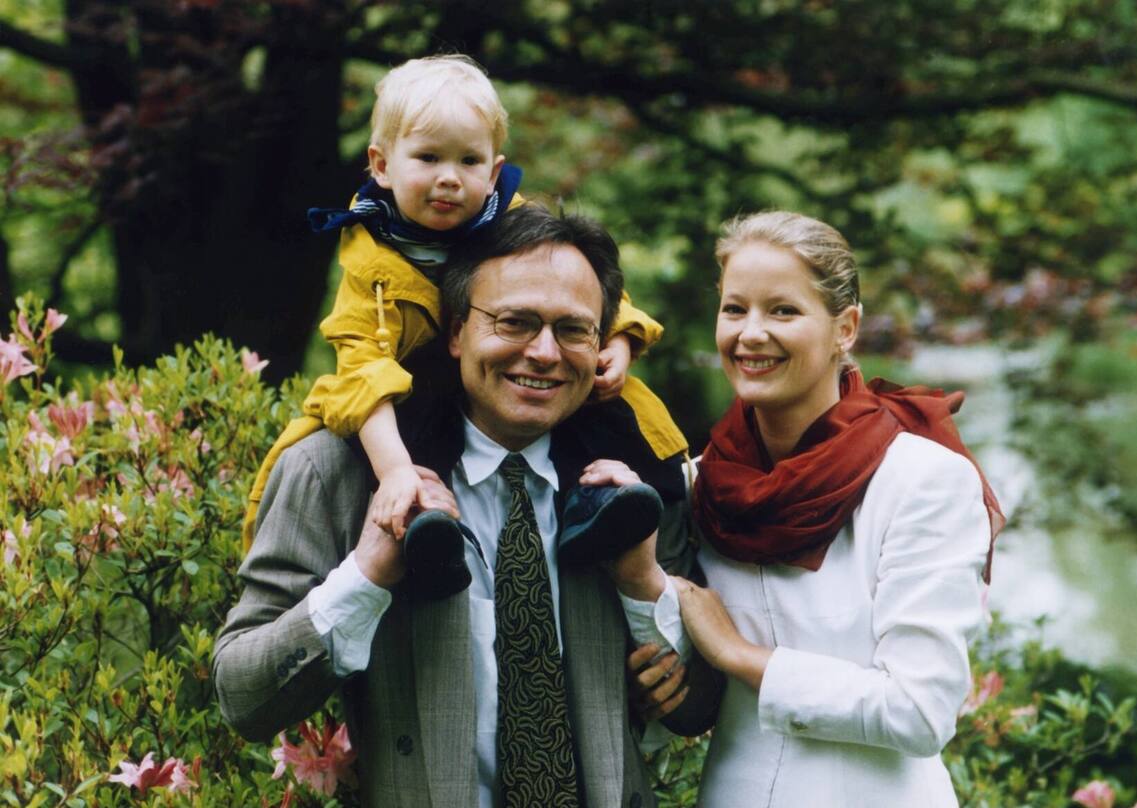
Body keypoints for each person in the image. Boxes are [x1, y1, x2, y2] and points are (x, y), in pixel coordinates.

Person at [214, 206, 707, 808]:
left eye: (574, 330)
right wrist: (365, 577)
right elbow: (244, 698)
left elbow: (700, 704)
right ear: (455, 331)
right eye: (514, 322)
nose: (545, 353)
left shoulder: (640, 476)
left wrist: (642, 584)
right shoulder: (335, 471)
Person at [241, 54, 688, 577]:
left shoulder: (512, 218)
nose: (450, 179)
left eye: (469, 162)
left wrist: (618, 339)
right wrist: (395, 472)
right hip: (420, 394)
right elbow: (361, 369)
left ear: (494, 169)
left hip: (510, 388)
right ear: (381, 165)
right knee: (400, 442)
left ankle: (595, 512)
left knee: (612, 407)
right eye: (428, 158)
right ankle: (428, 538)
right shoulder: (371, 261)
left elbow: (585, 289)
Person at [631, 211, 1005, 807]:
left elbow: (920, 712)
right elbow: (693, 684)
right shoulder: (698, 482)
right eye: (735, 309)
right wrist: (665, 680)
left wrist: (739, 656)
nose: (750, 333)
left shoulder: (921, 481)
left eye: (783, 311)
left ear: (845, 328)